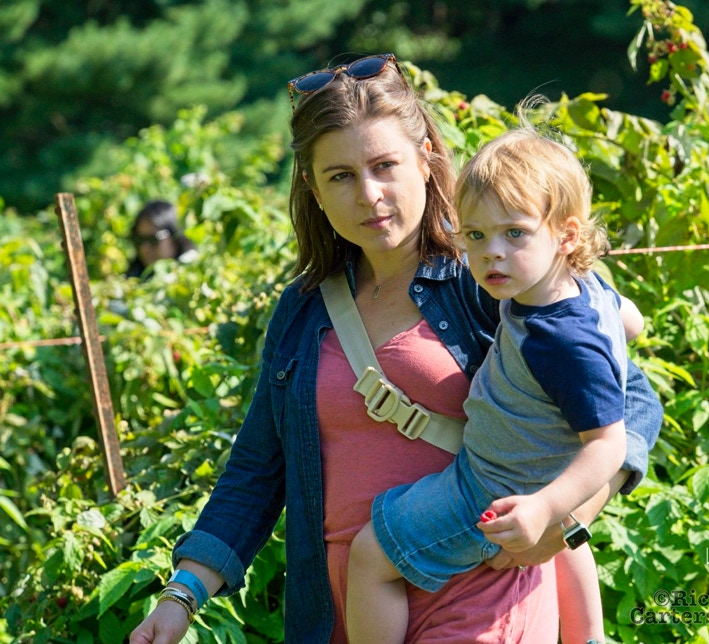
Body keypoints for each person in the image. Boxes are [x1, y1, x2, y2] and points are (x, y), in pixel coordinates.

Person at [129, 53, 662, 644]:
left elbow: (630, 400)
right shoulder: (303, 311)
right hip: (342, 611)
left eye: (385, 165)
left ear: (426, 160)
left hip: (480, 598)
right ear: (313, 189)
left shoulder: (491, 277)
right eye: (340, 176)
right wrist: (183, 594)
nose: (369, 194)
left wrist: (567, 519)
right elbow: (257, 468)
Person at [345, 125, 641, 643]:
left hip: (489, 489)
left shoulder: (558, 339)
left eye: (515, 233)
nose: (491, 254)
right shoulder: (580, 288)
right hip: (530, 473)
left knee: (370, 556)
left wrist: (543, 507)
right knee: (566, 541)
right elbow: (632, 321)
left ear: (567, 235)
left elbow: (609, 444)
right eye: (476, 236)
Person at [126, 200, 197, 278]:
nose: (144, 249)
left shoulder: (194, 272)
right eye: (139, 240)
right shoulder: (133, 278)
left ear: (175, 236)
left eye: (153, 239)